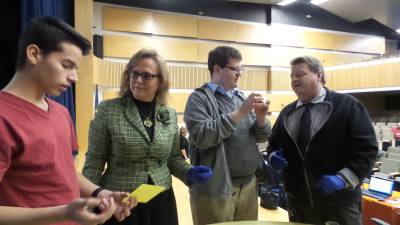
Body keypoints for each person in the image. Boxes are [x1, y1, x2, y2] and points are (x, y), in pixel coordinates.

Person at [0, 16, 136, 225]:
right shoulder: (4, 116)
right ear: (34, 54)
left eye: (76, 69)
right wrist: (63, 213)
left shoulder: (62, 113)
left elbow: (65, 172)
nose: (75, 77)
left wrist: (100, 193)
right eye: (66, 65)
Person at [82, 49, 213, 225]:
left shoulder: (169, 114)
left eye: (146, 76)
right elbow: (94, 162)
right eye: (134, 74)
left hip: (161, 200)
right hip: (121, 201)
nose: (138, 80)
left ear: (161, 81)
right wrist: (88, 200)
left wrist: (189, 172)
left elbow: (173, 158)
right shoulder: (108, 111)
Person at [267, 56, 378, 225]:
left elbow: (367, 150)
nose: (294, 79)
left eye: (300, 74)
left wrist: (344, 178)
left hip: (339, 204)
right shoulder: (287, 113)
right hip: (298, 204)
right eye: (292, 76)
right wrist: (273, 157)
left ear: (319, 75)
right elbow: (274, 145)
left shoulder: (348, 106)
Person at [184, 46, 271, 225]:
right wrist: (240, 113)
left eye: (241, 69)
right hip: (216, 189)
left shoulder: (240, 98)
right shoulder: (198, 98)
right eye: (235, 69)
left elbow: (261, 137)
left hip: (249, 185)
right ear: (216, 69)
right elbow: (202, 136)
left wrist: (261, 117)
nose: (240, 74)